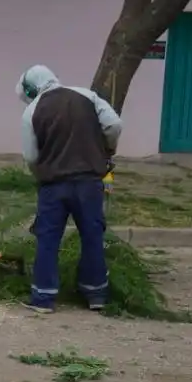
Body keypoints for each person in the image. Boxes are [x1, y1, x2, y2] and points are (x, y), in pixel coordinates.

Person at [16, 64, 122, 314]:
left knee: (48, 239)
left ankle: (43, 297)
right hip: (89, 182)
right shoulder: (87, 96)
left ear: (31, 90)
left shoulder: (31, 111)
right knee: (92, 235)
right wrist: (107, 149)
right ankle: (96, 294)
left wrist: (40, 174)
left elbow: (31, 156)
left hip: (53, 185)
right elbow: (114, 125)